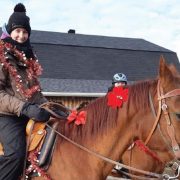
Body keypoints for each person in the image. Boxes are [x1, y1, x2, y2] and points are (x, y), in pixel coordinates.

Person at [0, 3, 66, 180]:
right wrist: (24, 108)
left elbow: (34, 90)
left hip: (27, 111)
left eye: (25, 32)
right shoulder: (1, 54)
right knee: (15, 154)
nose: (21, 36)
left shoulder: (28, 56)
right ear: (9, 31)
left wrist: (50, 107)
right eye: (17, 31)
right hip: (6, 115)